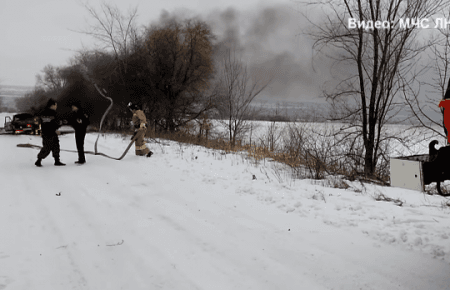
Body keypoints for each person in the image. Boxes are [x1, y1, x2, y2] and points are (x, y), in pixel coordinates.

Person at [35, 99, 65, 167]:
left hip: (46, 132)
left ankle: (57, 161)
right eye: (55, 105)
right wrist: (59, 126)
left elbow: (42, 122)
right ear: (52, 105)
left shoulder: (42, 112)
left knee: (55, 146)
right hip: (50, 133)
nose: (56, 106)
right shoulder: (53, 113)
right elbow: (55, 123)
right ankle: (38, 160)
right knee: (47, 147)